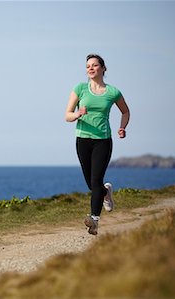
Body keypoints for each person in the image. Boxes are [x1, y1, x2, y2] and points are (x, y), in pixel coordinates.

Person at [65, 53, 130, 235]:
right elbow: (67, 115)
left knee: (95, 181)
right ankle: (105, 192)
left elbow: (125, 112)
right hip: (82, 140)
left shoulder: (113, 92)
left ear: (103, 68)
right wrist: (78, 114)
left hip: (103, 140)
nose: (90, 68)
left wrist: (122, 127)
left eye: (94, 65)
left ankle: (94, 220)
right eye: (88, 66)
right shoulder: (80, 89)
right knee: (91, 184)